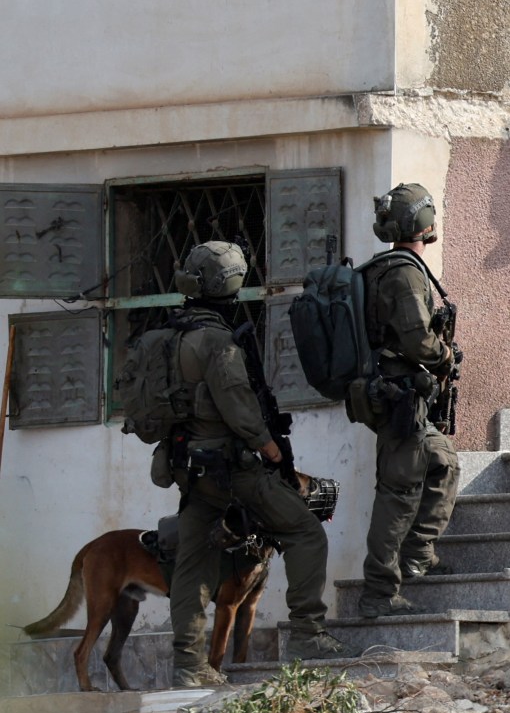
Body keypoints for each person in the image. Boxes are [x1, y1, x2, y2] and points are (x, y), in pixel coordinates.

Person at [163, 242, 343, 685]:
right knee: (305, 532)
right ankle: (307, 634)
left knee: (192, 563)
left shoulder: (167, 336)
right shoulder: (217, 341)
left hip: (188, 466)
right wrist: (271, 449)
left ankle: (188, 666)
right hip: (231, 468)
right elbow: (238, 406)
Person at [357, 184, 461, 619]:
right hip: (398, 396)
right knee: (397, 493)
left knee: (444, 461)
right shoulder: (403, 274)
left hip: (398, 394)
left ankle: (418, 554)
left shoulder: (384, 268)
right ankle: (379, 592)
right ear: (424, 223)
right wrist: (446, 356)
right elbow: (418, 340)